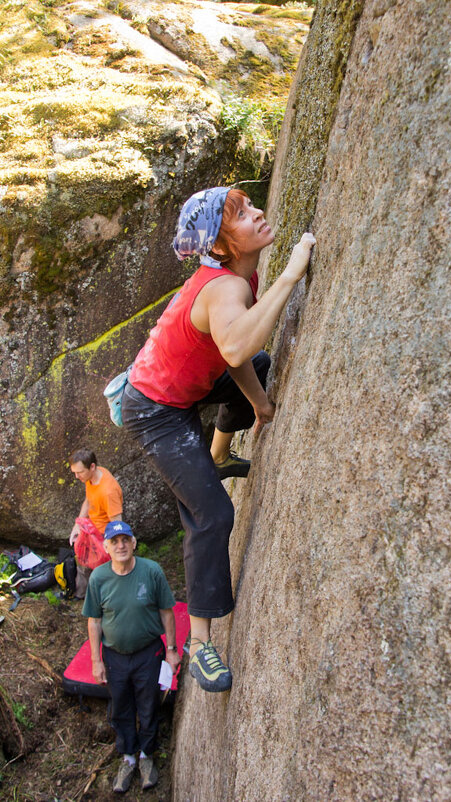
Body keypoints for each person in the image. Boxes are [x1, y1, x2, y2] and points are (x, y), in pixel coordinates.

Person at [121, 186, 315, 693]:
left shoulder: (235, 277)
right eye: (242, 215)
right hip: (156, 412)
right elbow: (235, 342)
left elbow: (237, 357)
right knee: (212, 514)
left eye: (251, 206)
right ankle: (201, 643)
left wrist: (260, 404)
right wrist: (292, 273)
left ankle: (220, 454)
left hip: (187, 388)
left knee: (263, 364)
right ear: (222, 246)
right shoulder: (226, 288)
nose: (258, 214)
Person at [82, 520, 182, 794]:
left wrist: (172, 650)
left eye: (125, 540)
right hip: (114, 656)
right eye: (114, 541)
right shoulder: (99, 578)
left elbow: (166, 612)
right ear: (106, 547)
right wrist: (96, 660)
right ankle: (127, 755)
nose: (121, 545)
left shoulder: (151, 572)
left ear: (134, 543)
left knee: (149, 705)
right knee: (121, 706)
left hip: (149, 653)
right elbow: (94, 621)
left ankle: (146, 756)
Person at [68, 448, 123, 598]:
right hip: (91, 530)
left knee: (103, 573)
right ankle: (81, 595)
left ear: (92, 466)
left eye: (79, 472)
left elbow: (117, 523)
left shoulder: (108, 491)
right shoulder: (92, 477)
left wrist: (109, 544)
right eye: (74, 472)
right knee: (83, 562)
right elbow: (88, 500)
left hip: (103, 536)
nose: (76, 476)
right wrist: (77, 525)